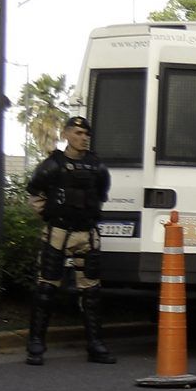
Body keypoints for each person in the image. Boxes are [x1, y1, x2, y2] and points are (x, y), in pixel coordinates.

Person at [26, 115, 115, 366]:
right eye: (78, 133)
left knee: (92, 291)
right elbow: (34, 194)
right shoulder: (52, 165)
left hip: (86, 233)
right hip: (58, 233)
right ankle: (36, 344)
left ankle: (95, 345)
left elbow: (101, 195)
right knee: (46, 288)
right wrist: (50, 216)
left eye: (86, 134)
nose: (83, 138)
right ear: (66, 135)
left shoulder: (97, 167)